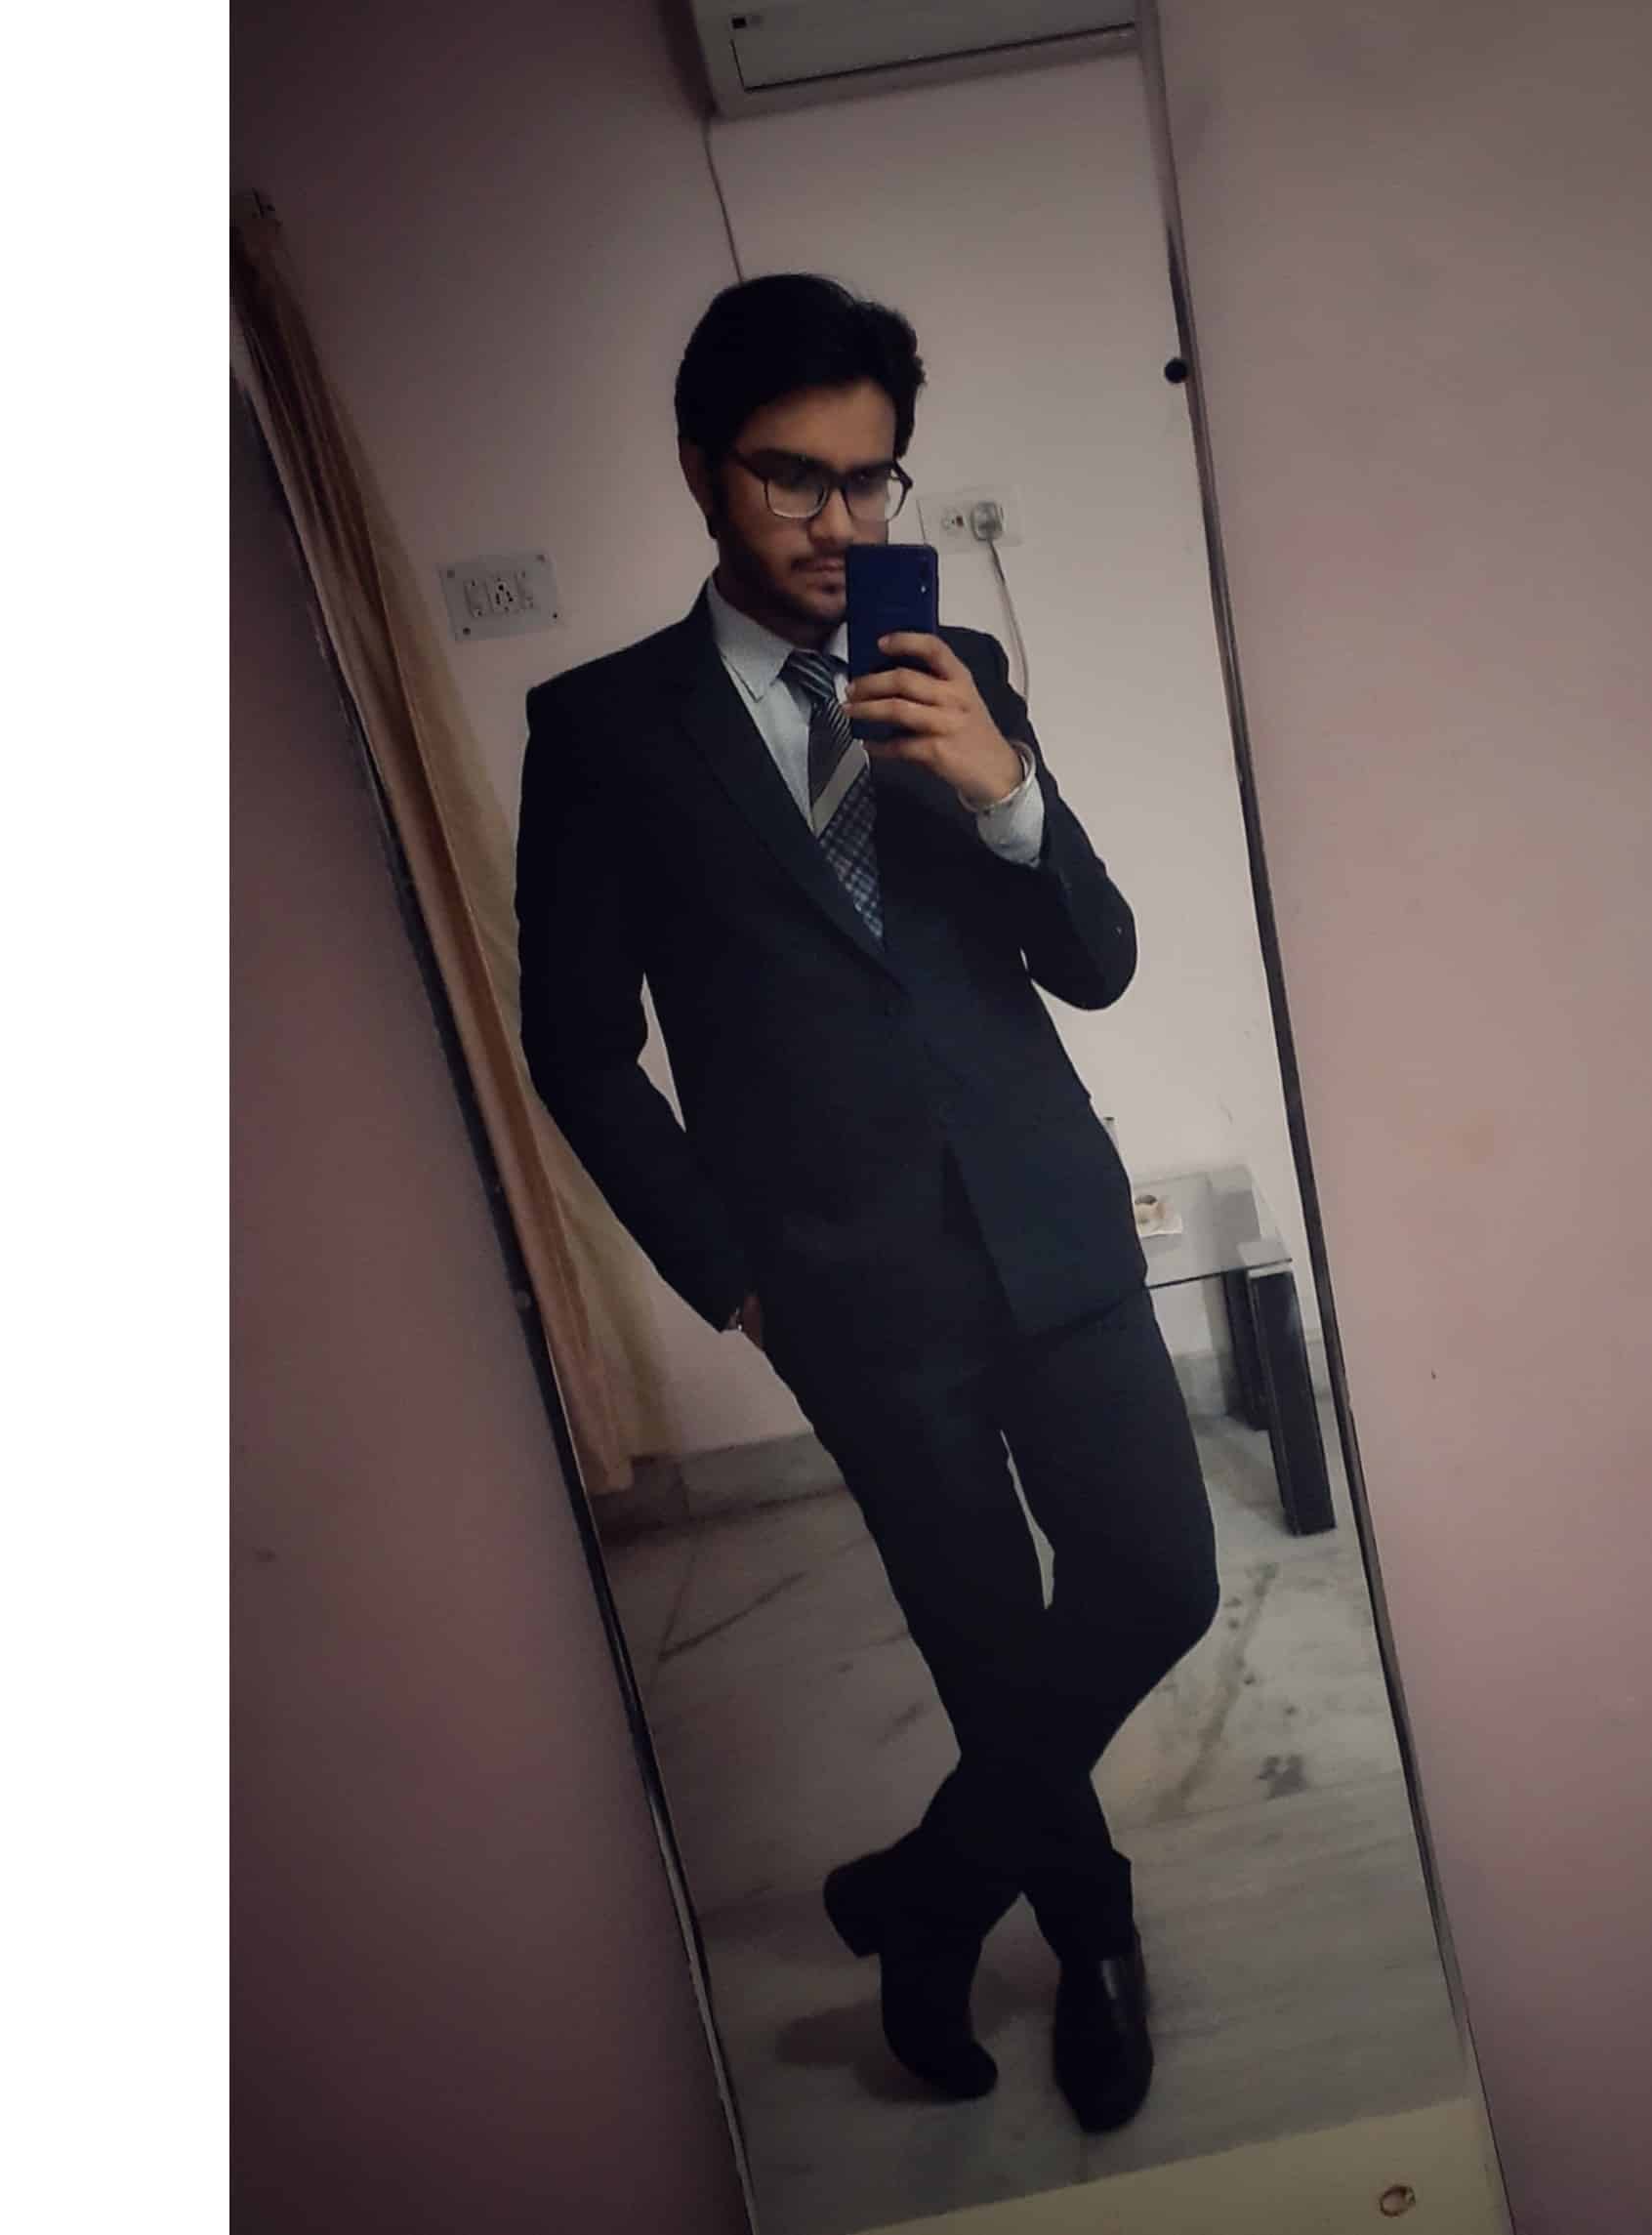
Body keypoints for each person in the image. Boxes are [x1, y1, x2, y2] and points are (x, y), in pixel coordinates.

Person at [514, 273, 1221, 2132]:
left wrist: (1007, 794)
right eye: (791, 479)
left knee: (1157, 1577)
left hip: (1053, 1231)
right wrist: (730, 1273)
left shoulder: (953, 665)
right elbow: (576, 1047)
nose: (841, 525)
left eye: (871, 479)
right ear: (699, 468)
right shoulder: (603, 729)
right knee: (982, 1636)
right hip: (840, 1281)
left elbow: (1093, 963)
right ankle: (1091, 1931)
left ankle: (927, 1888)